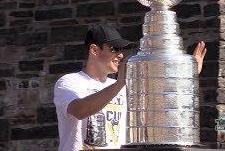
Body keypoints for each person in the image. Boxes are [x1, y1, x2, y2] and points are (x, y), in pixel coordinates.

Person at [53, 24, 207, 151]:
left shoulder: (119, 86)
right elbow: (79, 110)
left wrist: (186, 78)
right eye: (114, 49)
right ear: (94, 50)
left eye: (121, 50)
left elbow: (158, 112)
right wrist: (120, 83)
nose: (120, 55)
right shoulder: (69, 82)